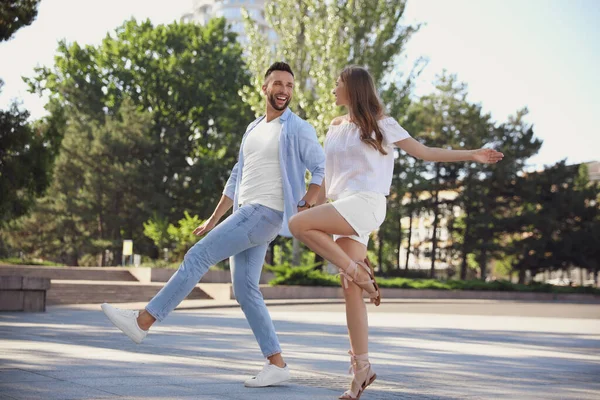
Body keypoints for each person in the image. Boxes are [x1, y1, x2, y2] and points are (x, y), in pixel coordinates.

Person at [101, 61, 325, 388]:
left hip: (266, 212)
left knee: (198, 256)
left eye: (289, 86)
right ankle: (277, 363)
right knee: (246, 291)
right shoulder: (253, 128)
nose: (284, 91)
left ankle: (143, 321)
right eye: (278, 84)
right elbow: (237, 176)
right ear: (264, 88)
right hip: (246, 213)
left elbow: (320, 167)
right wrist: (214, 217)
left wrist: (307, 202)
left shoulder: (297, 128)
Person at [288, 65, 503, 399]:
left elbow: (425, 153)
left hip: (367, 204)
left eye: (337, 83)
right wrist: (310, 198)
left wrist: (472, 154)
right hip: (342, 205)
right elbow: (328, 177)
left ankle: (358, 271)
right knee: (349, 289)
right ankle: (362, 369)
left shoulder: (382, 124)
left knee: (297, 226)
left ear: (353, 89)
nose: (332, 88)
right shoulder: (334, 127)